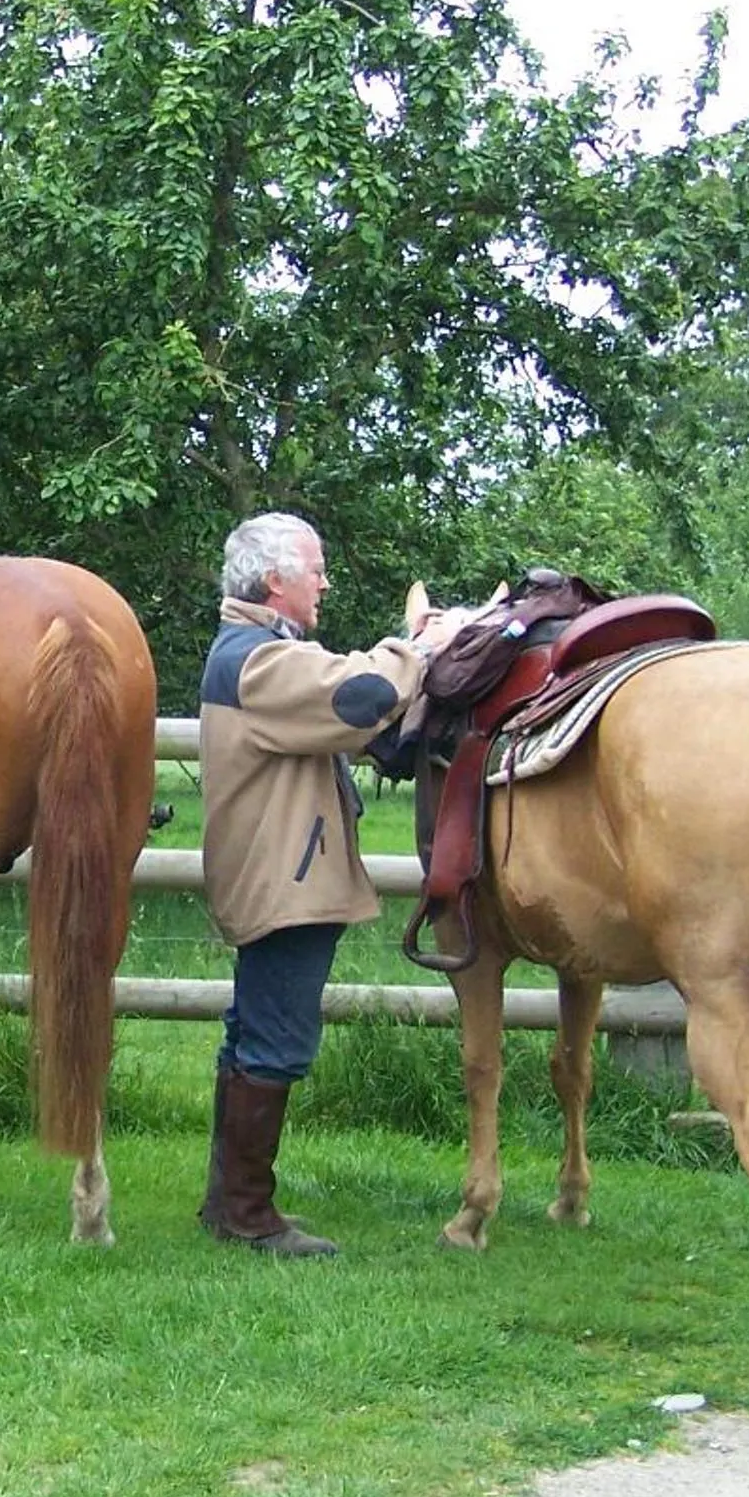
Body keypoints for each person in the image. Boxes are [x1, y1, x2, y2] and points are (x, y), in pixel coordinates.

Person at [196, 512, 465, 1256]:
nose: (324, 582)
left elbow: (344, 697)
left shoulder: (256, 654)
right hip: (286, 881)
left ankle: (230, 1203)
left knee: (250, 1032)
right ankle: (248, 1214)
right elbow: (363, 696)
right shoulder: (259, 662)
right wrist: (423, 646)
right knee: (275, 1041)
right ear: (276, 580)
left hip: (279, 873)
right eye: (315, 569)